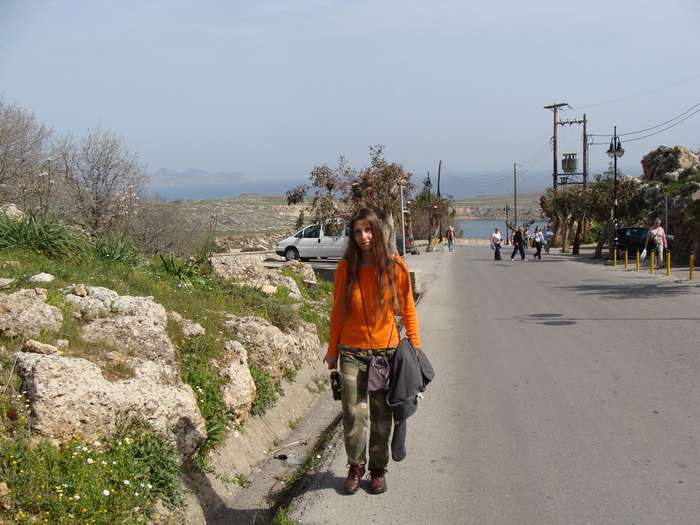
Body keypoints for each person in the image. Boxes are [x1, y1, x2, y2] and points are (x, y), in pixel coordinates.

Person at [324, 207, 421, 495]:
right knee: (353, 414)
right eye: (357, 232)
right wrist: (332, 349)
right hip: (352, 351)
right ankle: (355, 466)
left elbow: (408, 308)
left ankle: (378, 469)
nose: (363, 236)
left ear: (377, 231)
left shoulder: (395, 266)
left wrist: (414, 346)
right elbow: (338, 311)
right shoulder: (346, 268)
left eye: (368, 230)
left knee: (381, 416)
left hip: (385, 353)